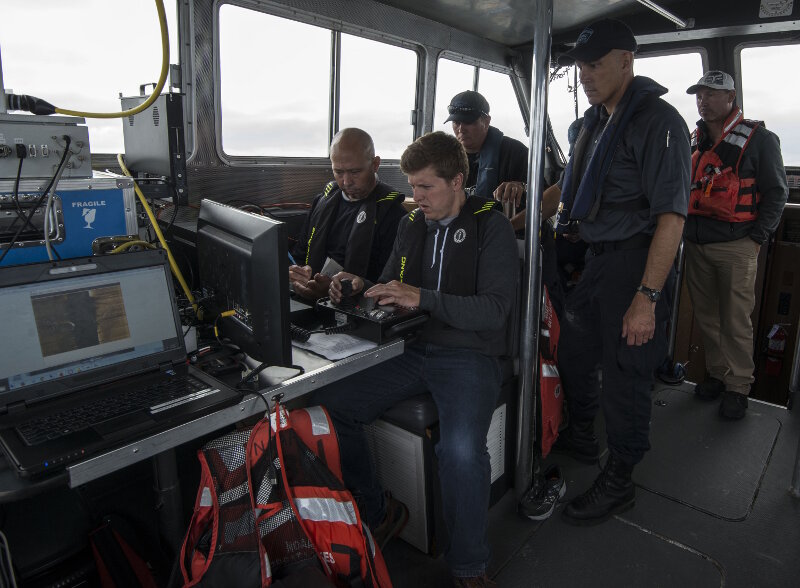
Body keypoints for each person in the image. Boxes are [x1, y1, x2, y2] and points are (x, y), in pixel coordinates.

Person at [313, 131, 518, 588]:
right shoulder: (412, 225)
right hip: (412, 349)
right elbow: (388, 283)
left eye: (425, 187)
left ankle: (469, 566)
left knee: (461, 452)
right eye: (412, 186)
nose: (416, 197)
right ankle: (377, 511)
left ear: (458, 180)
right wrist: (355, 287)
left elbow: (495, 311)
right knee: (330, 405)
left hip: (469, 356)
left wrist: (423, 297)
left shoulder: (491, 227)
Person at [552, 19, 691, 525]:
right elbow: (570, 186)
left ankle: (620, 480)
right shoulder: (594, 122)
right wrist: (516, 219)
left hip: (637, 260)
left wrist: (646, 297)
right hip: (598, 259)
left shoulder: (659, 123)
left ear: (626, 61)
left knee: (626, 375)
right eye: (579, 67)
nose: (584, 76)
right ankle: (584, 433)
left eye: (594, 65)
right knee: (574, 349)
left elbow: (672, 217)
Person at [683, 70, 789, 419]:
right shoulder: (694, 138)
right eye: (700, 94)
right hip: (697, 243)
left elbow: (777, 193)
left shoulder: (761, 140)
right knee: (708, 317)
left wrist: (757, 238)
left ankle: (739, 386)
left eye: (712, 94)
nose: (703, 100)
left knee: (735, 319)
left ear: (731, 98)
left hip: (737, 244)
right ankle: (717, 375)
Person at [289, 128, 406, 300]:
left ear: (375, 165)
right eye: (338, 172)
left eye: (355, 172)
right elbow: (300, 254)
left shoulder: (392, 214)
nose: (346, 182)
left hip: (356, 307)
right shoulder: (322, 202)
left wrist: (338, 290)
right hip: (308, 296)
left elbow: (390, 282)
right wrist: (297, 273)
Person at [444, 90, 529, 230]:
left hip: (506, 234)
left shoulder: (516, 152)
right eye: (456, 122)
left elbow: (544, 196)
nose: (461, 129)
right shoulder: (446, 158)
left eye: (468, 122)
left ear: (487, 121)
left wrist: (521, 186)